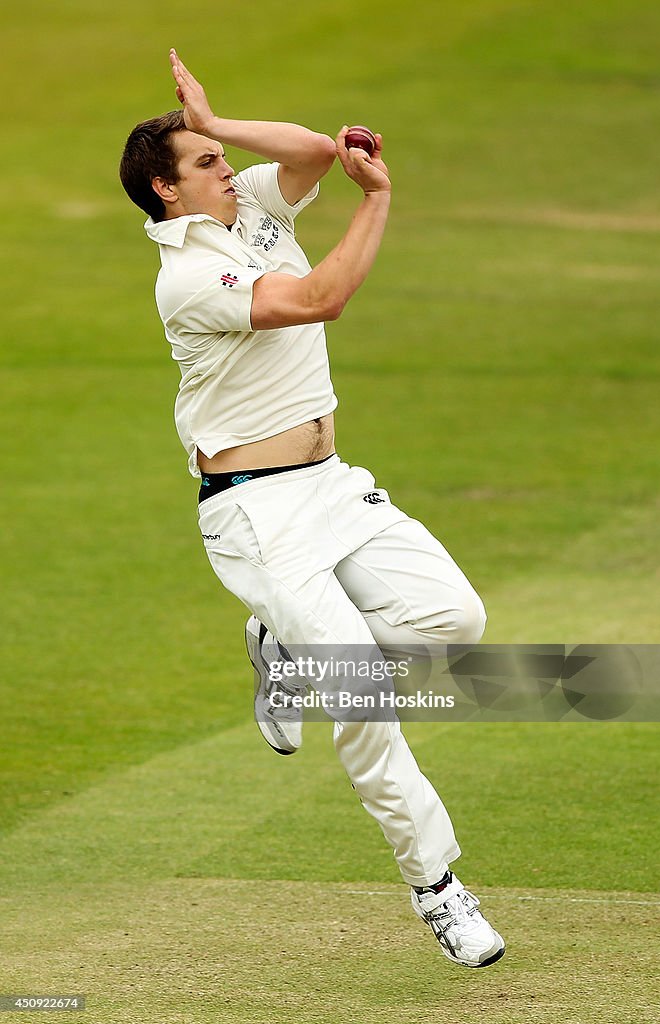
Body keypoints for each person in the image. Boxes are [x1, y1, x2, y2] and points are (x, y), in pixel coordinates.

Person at [119, 49, 505, 969]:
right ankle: (438, 888)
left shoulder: (248, 204)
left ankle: (286, 652)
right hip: (255, 511)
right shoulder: (186, 277)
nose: (225, 166)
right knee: (365, 695)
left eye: (218, 155)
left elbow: (311, 153)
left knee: (456, 618)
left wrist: (216, 125)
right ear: (169, 195)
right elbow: (322, 297)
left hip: (331, 483)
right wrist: (379, 202)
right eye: (204, 162)